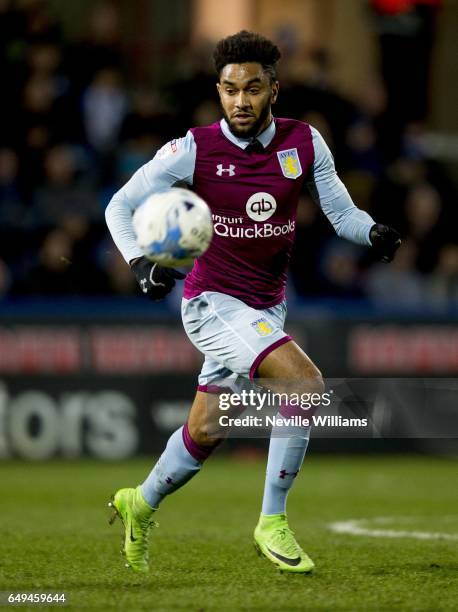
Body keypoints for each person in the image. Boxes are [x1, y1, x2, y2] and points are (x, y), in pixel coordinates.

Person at [105, 31, 401, 574]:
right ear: (218, 91)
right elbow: (119, 207)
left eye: (253, 88)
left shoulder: (305, 142)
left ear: (274, 90)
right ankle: (273, 521)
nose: (240, 101)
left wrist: (372, 233)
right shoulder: (192, 149)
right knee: (304, 383)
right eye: (230, 89)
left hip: (266, 307)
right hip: (212, 303)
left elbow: (342, 214)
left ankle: (138, 503)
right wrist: (138, 263)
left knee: (205, 431)